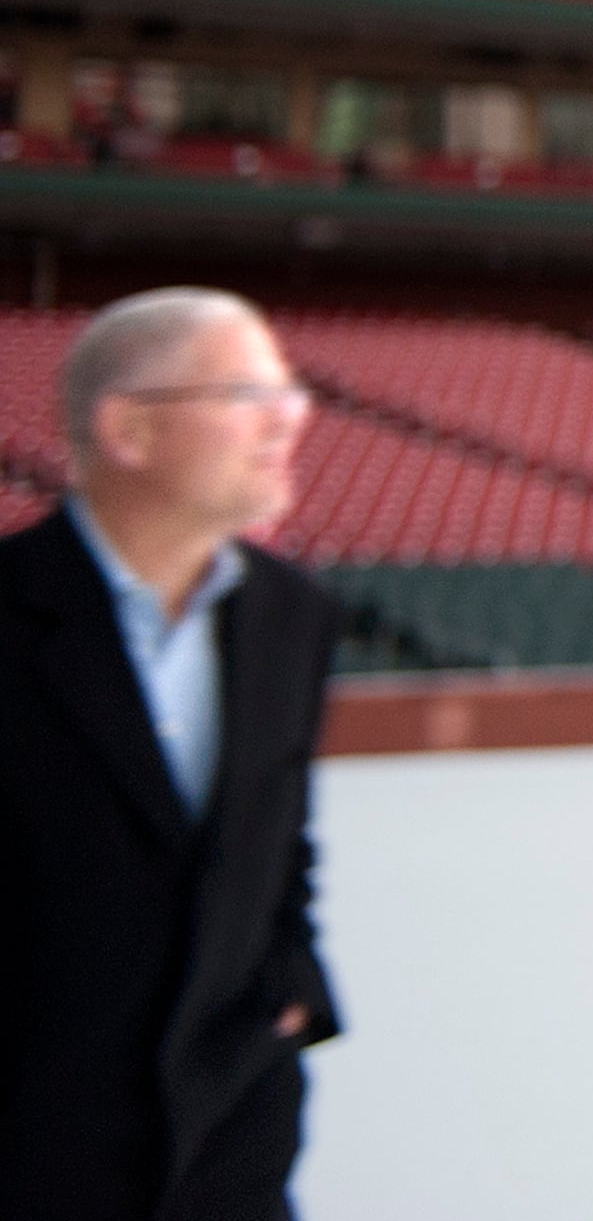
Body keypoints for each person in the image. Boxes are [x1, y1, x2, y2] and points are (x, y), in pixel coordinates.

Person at [0, 287, 343, 1221]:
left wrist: (292, 994)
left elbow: (280, 844)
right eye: (247, 394)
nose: (289, 420)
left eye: (291, 392)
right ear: (130, 430)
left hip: (225, 1142)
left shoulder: (291, 616)